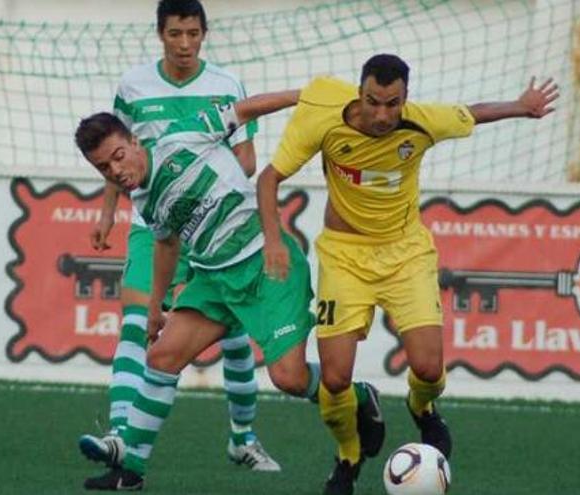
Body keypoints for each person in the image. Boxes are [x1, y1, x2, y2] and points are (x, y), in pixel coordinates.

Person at [256, 54, 559, 495]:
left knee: (430, 368)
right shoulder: (322, 112)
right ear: (359, 92)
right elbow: (268, 179)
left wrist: (521, 105)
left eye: (392, 104)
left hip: (405, 254)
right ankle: (347, 457)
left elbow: (473, 113)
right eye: (373, 102)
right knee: (336, 378)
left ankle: (423, 408)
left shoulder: (421, 123)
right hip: (344, 257)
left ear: (405, 99)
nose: (382, 115)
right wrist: (273, 239)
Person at [73, 92, 382, 491]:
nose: (115, 170)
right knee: (162, 356)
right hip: (214, 279)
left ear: (134, 142)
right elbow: (166, 247)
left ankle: (359, 397)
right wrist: (155, 308)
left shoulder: (183, 136)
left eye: (118, 156)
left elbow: (246, 108)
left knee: (289, 378)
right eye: (103, 167)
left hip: (266, 264)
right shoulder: (145, 198)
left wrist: (306, 95)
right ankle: (129, 471)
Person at [80, 0, 279, 479]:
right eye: (176, 34)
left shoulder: (226, 86)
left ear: (204, 34)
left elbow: (247, 159)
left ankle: (243, 439)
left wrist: (195, 177)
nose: (185, 44)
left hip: (213, 226)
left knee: (233, 338)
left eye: (193, 34)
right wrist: (108, 213)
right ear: (160, 34)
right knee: (136, 322)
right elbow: (114, 155)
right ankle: (121, 437)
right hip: (154, 226)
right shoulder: (133, 85)